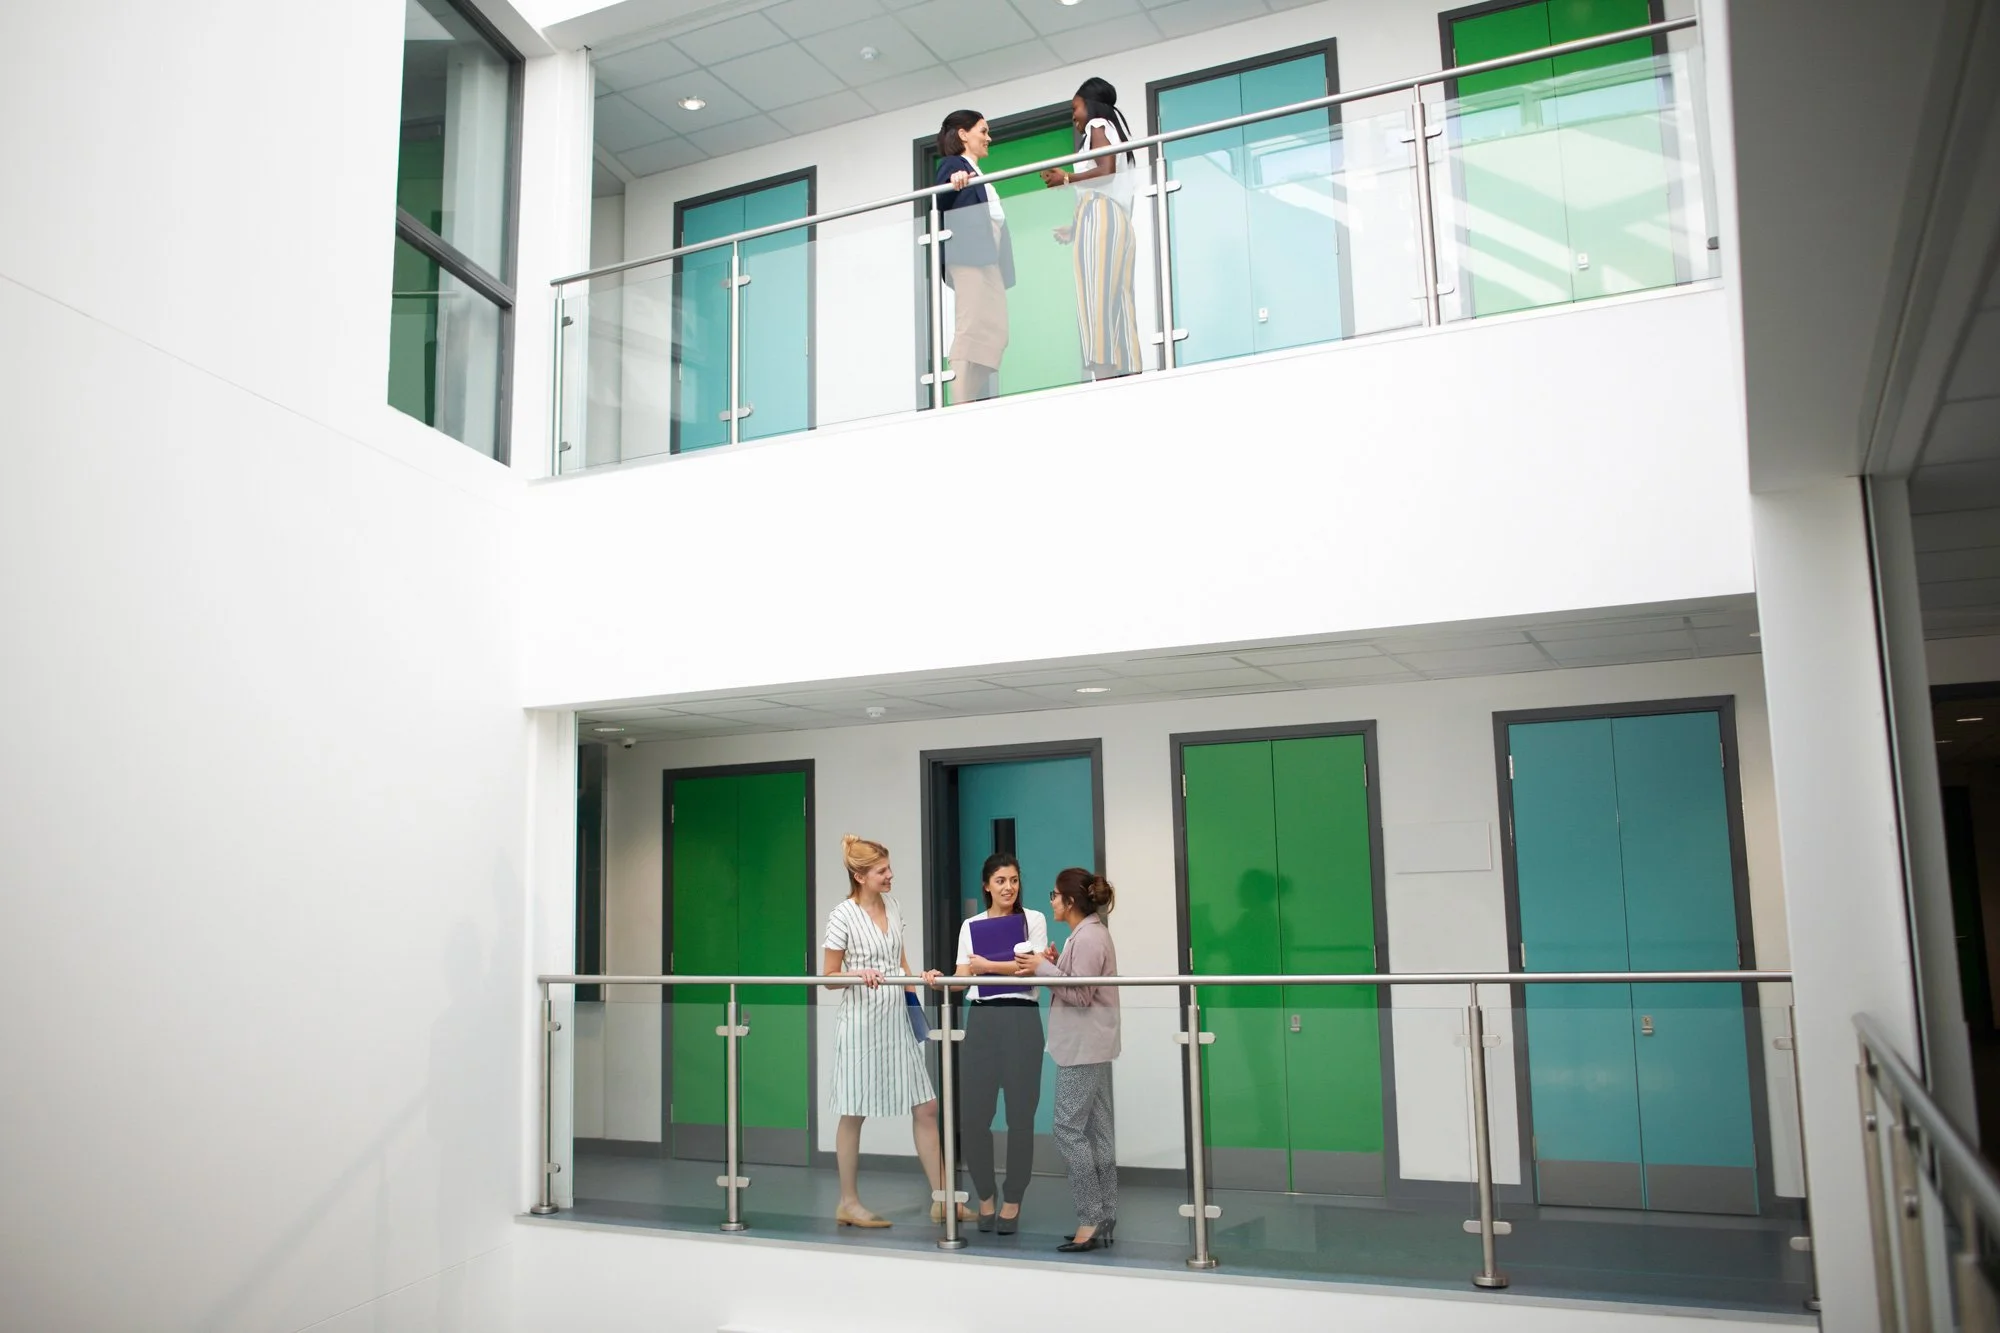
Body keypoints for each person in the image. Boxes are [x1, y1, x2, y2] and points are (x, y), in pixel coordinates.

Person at [821, 835, 971, 1228]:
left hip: (896, 1021)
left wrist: (920, 979)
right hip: (860, 1023)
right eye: (882, 871)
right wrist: (858, 973)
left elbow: (899, 961)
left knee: (926, 1106)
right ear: (859, 875)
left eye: (888, 868)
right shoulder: (842, 915)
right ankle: (848, 1203)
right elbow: (829, 978)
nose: (890, 876)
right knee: (853, 1112)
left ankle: (943, 1199)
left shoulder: (893, 905)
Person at [953, 852, 1050, 1235]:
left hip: (1022, 1019)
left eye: (1013, 880)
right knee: (975, 1117)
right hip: (982, 1019)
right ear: (986, 885)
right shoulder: (971, 925)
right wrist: (939, 976)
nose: (1009, 887)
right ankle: (986, 1196)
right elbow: (963, 976)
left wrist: (988, 967)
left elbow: (1033, 967)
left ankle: (1013, 1199)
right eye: (1000, 881)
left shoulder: (1034, 920)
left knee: (1020, 1116)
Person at [1030, 867, 1121, 1253]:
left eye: (1054, 894)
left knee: (1067, 1129)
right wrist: (1053, 963)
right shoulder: (1087, 934)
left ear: (1069, 901)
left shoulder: (1087, 938)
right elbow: (1078, 982)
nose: (1050, 900)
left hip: (1083, 1047)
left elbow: (1080, 995)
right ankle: (1105, 1212)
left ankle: (1090, 1216)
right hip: (1094, 1044)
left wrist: (1042, 968)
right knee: (1099, 1129)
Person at [1041, 77, 1142, 382]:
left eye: (1076, 107)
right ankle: (1126, 374)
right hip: (1118, 221)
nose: (1074, 116)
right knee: (1119, 301)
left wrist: (1066, 179)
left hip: (1100, 215)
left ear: (1090, 105)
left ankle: (1104, 379)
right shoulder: (1115, 130)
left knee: (1095, 300)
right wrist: (1075, 226)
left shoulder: (1097, 124)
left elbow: (1105, 171)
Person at [935, 109, 1014, 403]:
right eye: (983, 131)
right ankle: (959, 401)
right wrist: (952, 180)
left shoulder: (978, 172)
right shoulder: (954, 164)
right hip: (968, 257)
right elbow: (937, 200)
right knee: (970, 325)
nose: (988, 138)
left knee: (996, 331)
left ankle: (967, 396)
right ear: (963, 134)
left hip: (987, 259)